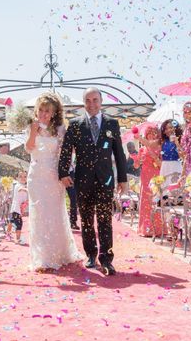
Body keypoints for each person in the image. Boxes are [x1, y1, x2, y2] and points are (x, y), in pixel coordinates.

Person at [59, 87, 128, 276]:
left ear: (101, 101)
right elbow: (66, 150)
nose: (92, 104)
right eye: (88, 101)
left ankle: (107, 259)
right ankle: (91, 254)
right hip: (82, 180)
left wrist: (122, 178)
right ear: (83, 103)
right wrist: (63, 173)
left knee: (105, 220)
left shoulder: (112, 124)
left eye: (95, 100)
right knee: (87, 220)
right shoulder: (75, 124)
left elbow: (119, 153)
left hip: (105, 180)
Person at [25, 92, 82, 271]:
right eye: (40, 110)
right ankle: (41, 257)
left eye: (47, 111)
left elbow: (66, 153)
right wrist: (33, 131)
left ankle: (59, 253)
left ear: (53, 113)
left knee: (55, 212)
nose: (43, 114)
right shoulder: (31, 126)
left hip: (53, 175)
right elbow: (28, 149)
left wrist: (64, 172)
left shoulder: (60, 130)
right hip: (36, 175)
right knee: (38, 212)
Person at [134, 124, 163, 237]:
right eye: (149, 134)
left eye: (154, 133)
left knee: (156, 201)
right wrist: (137, 161)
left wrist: (154, 157)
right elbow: (136, 166)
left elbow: (161, 165)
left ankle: (158, 229)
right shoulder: (142, 148)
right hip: (145, 177)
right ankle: (146, 228)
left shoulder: (159, 148)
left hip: (156, 177)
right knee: (145, 201)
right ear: (146, 135)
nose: (151, 136)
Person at [159, 119, 183, 185]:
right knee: (165, 187)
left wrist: (177, 143)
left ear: (175, 128)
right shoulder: (163, 142)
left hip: (175, 166)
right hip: (165, 167)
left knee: (176, 188)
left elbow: (182, 156)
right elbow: (150, 144)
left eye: (171, 127)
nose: (168, 130)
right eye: (166, 129)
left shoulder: (181, 139)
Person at [9, 170, 28, 244]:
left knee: (12, 221)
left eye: (25, 176)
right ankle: (18, 239)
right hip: (16, 209)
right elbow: (21, 189)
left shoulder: (23, 185)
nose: (23, 178)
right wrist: (28, 189)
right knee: (19, 224)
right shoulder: (18, 185)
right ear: (16, 178)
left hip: (17, 209)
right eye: (20, 176)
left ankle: (8, 232)